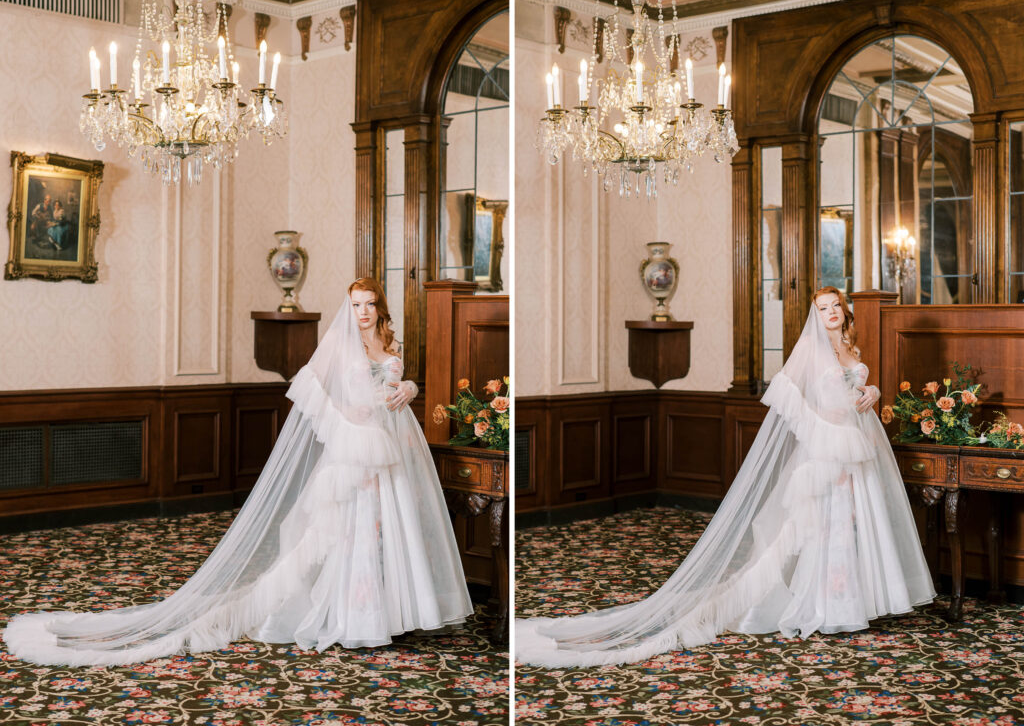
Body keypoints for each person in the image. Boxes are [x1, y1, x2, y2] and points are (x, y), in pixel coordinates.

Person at [3, 278, 473, 666]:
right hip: (354, 453)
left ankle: (388, 615)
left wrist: (411, 387)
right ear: (347, 308)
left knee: (387, 533)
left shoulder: (390, 344)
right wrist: (344, 423)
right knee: (347, 535)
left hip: (390, 452)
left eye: (369, 304)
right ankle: (353, 617)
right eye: (355, 305)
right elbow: (309, 386)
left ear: (380, 308)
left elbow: (395, 385)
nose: (363, 312)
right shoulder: (339, 344)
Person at [516, 287, 935, 667]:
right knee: (822, 528)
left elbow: (856, 390)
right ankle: (827, 607)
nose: (829, 313)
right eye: (822, 308)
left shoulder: (850, 347)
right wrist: (820, 428)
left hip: (857, 447)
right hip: (827, 449)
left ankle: (851, 601)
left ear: (845, 311)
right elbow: (785, 392)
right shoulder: (811, 347)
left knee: (852, 526)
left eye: (834, 307)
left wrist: (873, 392)